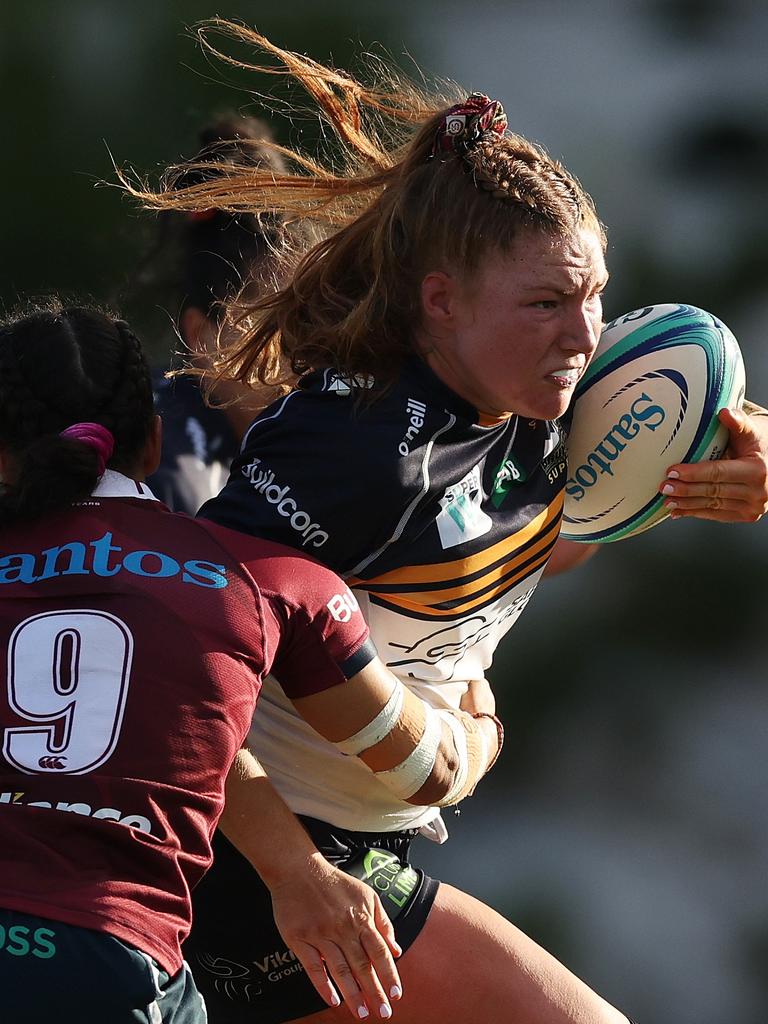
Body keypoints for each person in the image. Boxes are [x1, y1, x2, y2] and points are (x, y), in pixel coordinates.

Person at [126, 23, 768, 1024]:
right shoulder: (355, 449)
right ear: (443, 301)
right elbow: (176, 669)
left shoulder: (527, 407)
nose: (583, 336)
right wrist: (300, 872)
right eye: (547, 302)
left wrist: (717, 473)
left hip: (347, 849)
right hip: (263, 864)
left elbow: (506, 549)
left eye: (594, 295)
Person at [0, 301, 513, 1022]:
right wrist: (480, 721)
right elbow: (421, 770)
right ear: (153, 441)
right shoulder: (272, 581)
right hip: (112, 964)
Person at [145, 116, 287, 514]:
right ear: (200, 335)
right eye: (271, 332)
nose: (302, 361)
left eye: (314, 324)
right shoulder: (170, 474)